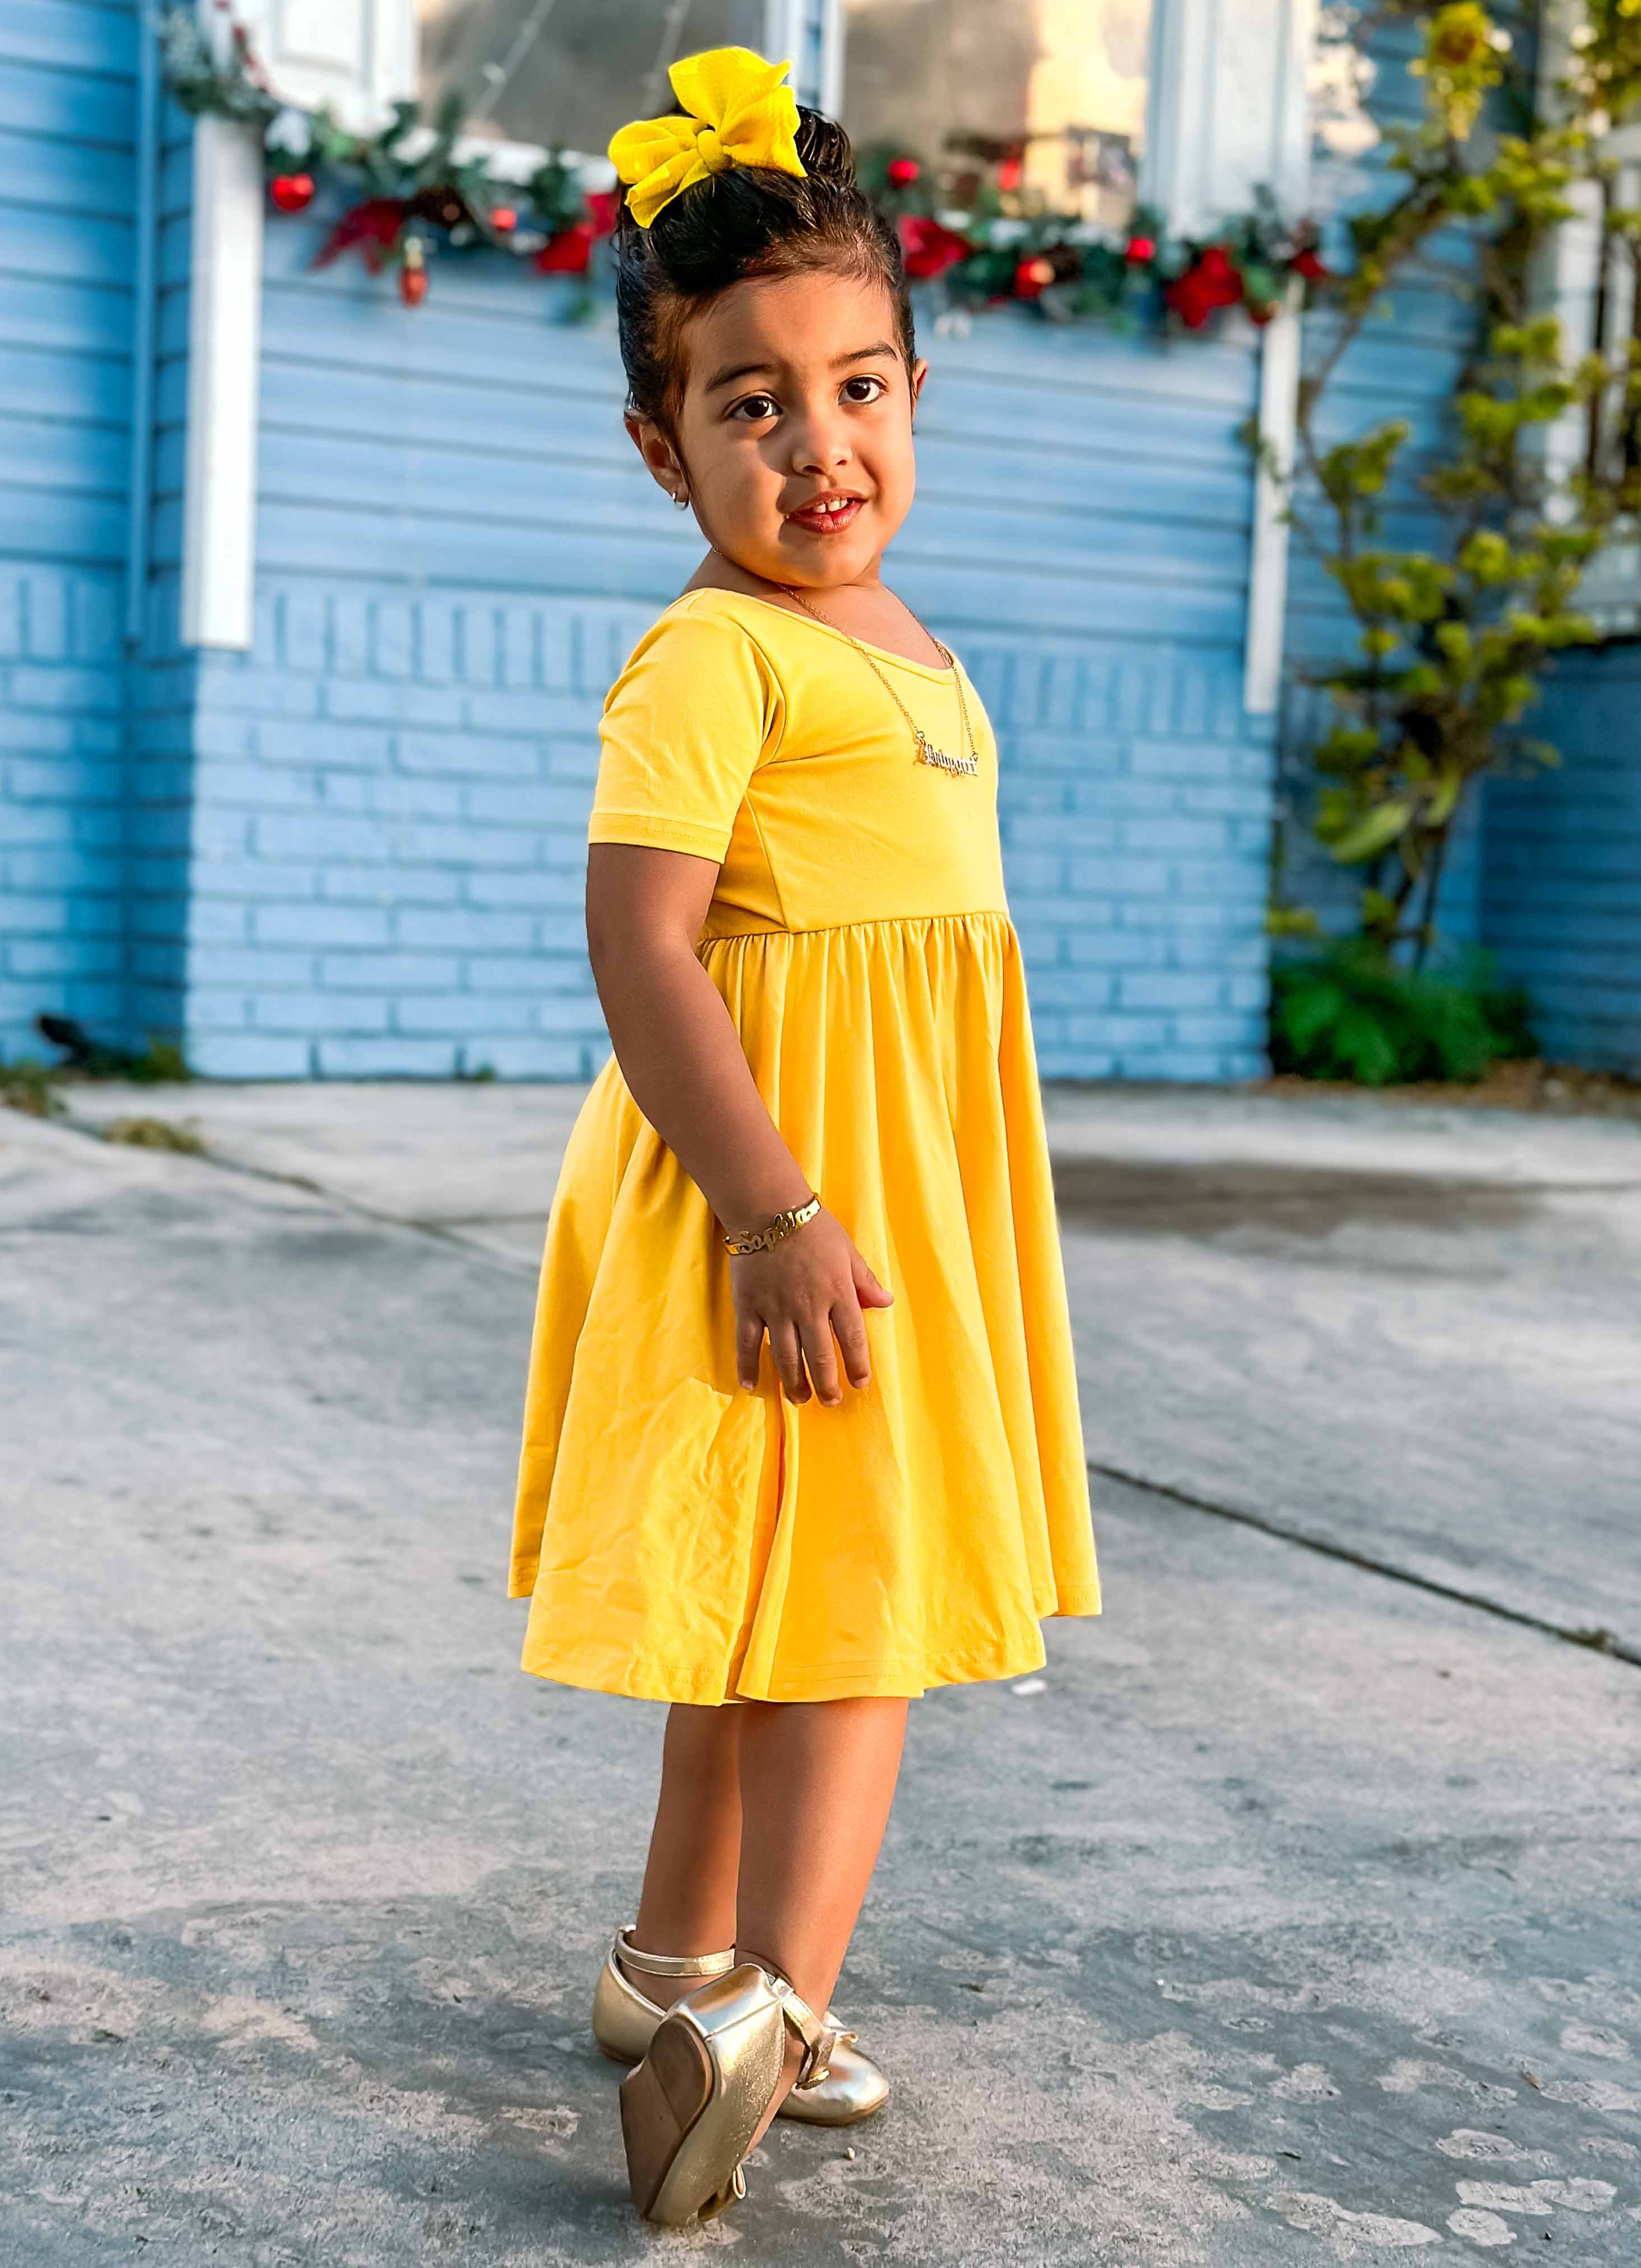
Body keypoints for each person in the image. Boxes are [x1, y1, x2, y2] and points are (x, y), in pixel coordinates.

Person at [507, 44, 1102, 2228]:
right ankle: (780, 2015)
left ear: (919, 390)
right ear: (664, 449)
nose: (819, 443)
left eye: (858, 387)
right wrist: (774, 1203)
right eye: (751, 405)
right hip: (782, 1187)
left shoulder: (908, 647)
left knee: (767, 1608)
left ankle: (671, 1964)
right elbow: (642, 944)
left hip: (887, 1185)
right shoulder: (714, 660)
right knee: (850, 1620)